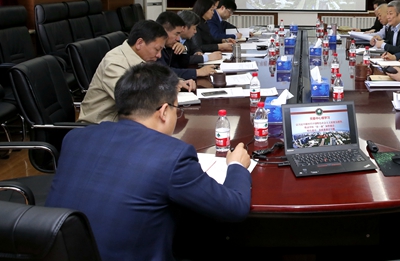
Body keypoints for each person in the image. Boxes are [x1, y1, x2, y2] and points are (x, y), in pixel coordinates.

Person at [47, 63, 252, 261]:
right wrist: (236, 166)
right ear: (163, 112)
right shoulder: (172, 155)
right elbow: (234, 208)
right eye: (176, 109)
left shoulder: (75, 138)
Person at [79, 20, 168, 123]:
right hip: (100, 125)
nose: (159, 55)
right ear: (139, 43)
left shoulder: (142, 58)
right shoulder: (114, 64)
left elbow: (157, 78)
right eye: (157, 49)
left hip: (123, 122)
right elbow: (132, 101)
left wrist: (176, 82)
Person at [156, 11, 216, 80]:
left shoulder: (170, 45)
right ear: (164, 31)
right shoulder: (157, 48)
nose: (178, 39)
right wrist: (197, 72)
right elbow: (164, 72)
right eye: (176, 34)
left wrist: (183, 50)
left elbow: (181, 65)